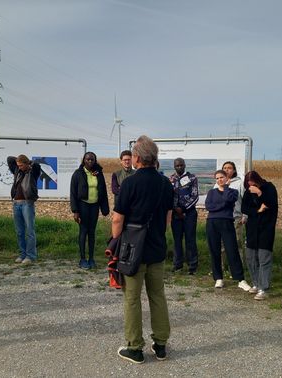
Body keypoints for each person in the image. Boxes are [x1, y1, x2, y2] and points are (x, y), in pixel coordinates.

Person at [112, 135, 173, 364]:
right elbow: (167, 219)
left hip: (131, 251)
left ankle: (135, 348)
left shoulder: (129, 183)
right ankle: (161, 346)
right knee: (158, 296)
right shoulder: (165, 183)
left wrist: (114, 242)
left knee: (132, 298)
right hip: (157, 247)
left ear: (136, 158)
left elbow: (118, 220)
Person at [205, 170, 251, 291]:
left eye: (221, 177)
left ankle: (240, 279)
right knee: (214, 250)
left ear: (226, 178)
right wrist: (222, 205)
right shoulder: (211, 192)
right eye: (217, 178)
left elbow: (228, 200)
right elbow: (208, 206)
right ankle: (218, 278)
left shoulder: (232, 192)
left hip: (226, 222)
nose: (219, 180)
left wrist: (226, 188)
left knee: (232, 250)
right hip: (212, 222)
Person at [241, 170, 278, 300]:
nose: (251, 186)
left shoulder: (269, 188)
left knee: (264, 258)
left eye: (253, 183)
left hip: (266, 229)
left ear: (258, 180)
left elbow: (270, 205)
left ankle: (264, 288)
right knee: (251, 258)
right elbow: (244, 208)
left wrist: (260, 194)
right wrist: (257, 210)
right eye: (248, 184)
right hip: (251, 228)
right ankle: (256, 283)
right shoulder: (248, 191)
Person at [70, 152, 110, 269]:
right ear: (84, 160)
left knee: (92, 232)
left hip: (94, 206)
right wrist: (75, 211)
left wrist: (104, 208)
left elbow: (103, 190)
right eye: (87, 159)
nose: (90, 162)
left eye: (92, 160)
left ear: (95, 161)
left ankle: (91, 258)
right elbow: (73, 193)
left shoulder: (98, 173)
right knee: (83, 231)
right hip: (83, 206)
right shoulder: (78, 174)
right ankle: (82, 259)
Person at [8, 154, 41, 265]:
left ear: (27, 164)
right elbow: (9, 159)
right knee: (19, 232)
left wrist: (29, 163)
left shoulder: (33, 172)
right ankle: (22, 254)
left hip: (27, 203)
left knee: (30, 231)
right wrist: (19, 161)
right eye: (18, 165)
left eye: (22, 165)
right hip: (16, 203)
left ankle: (30, 255)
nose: (19, 167)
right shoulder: (17, 171)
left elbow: (37, 165)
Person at [169, 158, 199, 274]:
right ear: (174, 166)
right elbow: (168, 195)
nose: (179, 167)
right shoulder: (171, 178)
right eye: (177, 165)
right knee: (177, 240)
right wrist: (175, 208)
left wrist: (183, 209)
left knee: (190, 240)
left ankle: (192, 266)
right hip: (175, 214)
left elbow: (195, 196)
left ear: (185, 165)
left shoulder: (192, 178)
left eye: (181, 165)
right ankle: (177, 265)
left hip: (189, 213)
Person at [220, 161, 247, 271]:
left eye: (229, 168)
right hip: (221, 218)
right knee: (221, 244)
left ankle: (237, 267)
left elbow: (245, 200)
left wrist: (245, 215)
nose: (227, 170)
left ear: (234, 170)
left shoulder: (239, 183)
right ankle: (221, 267)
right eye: (225, 168)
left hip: (236, 217)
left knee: (236, 243)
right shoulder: (218, 183)